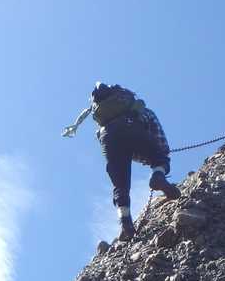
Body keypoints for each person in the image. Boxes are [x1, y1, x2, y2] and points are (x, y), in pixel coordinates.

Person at [64, 82, 180, 241]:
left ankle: (125, 222)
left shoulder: (102, 119)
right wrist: (158, 160)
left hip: (107, 137)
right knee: (160, 157)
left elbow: (124, 152)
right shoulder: (140, 109)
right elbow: (158, 138)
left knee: (120, 184)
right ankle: (158, 177)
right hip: (130, 126)